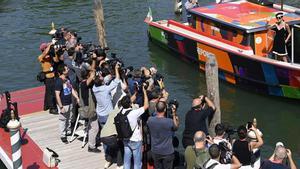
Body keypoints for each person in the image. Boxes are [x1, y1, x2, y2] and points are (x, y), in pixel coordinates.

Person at [120, 85, 149, 169]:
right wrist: (144, 92)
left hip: (125, 139)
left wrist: (136, 92)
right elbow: (146, 106)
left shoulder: (120, 111)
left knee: (126, 160)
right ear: (130, 104)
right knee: (137, 163)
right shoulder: (134, 113)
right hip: (135, 140)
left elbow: (129, 101)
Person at [147, 100, 179, 169]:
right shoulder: (169, 122)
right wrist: (174, 114)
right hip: (168, 151)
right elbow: (176, 127)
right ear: (165, 109)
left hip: (155, 151)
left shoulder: (150, 120)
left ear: (155, 109)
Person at [55, 64, 80, 143]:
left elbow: (71, 88)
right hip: (63, 104)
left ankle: (68, 131)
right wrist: (61, 107)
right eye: (66, 69)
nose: (68, 69)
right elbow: (57, 95)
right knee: (63, 120)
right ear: (62, 71)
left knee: (69, 117)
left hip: (70, 102)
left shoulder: (67, 78)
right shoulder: (59, 81)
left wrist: (77, 97)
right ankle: (63, 135)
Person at [38, 43, 59, 114]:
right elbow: (44, 54)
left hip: (53, 75)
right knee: (50, 93)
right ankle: (52, 108)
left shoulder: (50, 55)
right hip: (48, 77)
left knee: (50, 92)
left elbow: (56, 60)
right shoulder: (41, 57)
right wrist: (49, 45)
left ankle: (48, 105)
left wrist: (54, 52)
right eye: (46, 48)